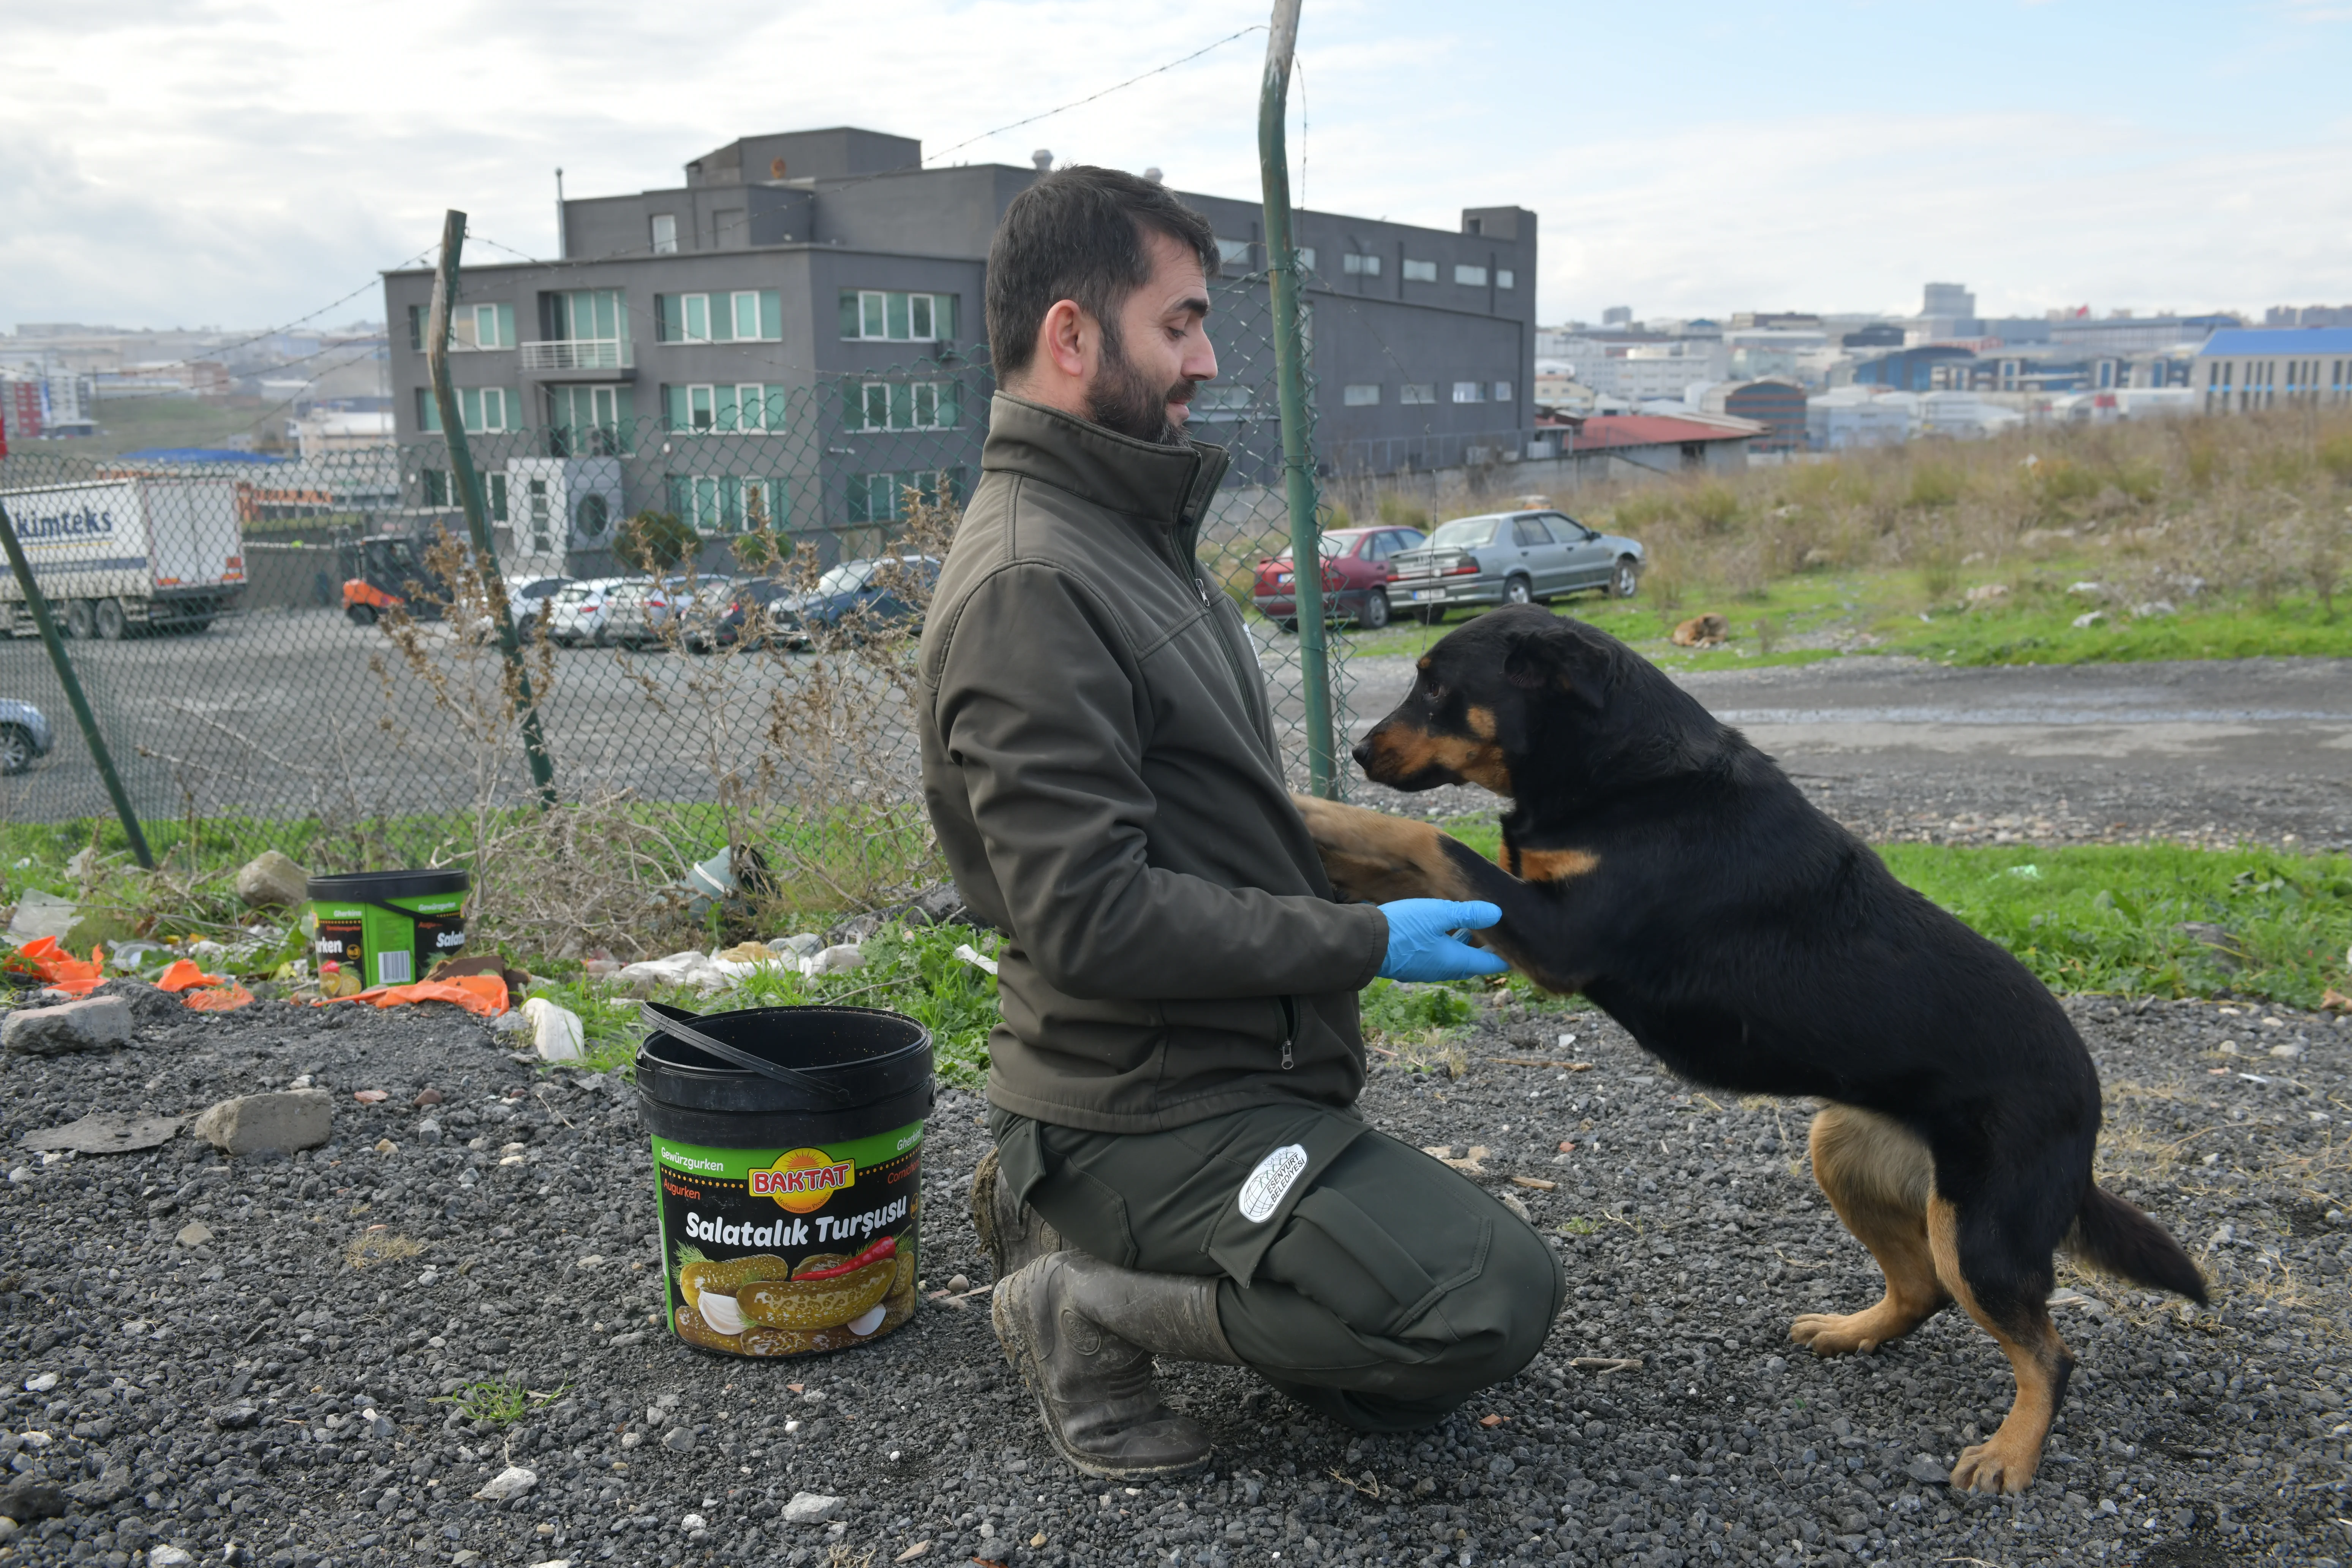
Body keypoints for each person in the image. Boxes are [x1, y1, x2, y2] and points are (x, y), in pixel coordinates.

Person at [916, 166, 1563, 1478]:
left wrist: (1400, 871)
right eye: (1181, 323)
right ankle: (1081, 1299)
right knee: (1481, 1301)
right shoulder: (1036, 582)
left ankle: (1065, 1219)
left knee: (1394, 1387)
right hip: (1140, 1101)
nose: (1207, 359)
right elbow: (1089, 919)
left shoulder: (1126, 533)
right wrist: (1363, 944)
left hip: (1230, 1073)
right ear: (1072, 336)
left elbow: (1211, 817)